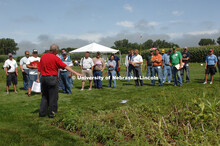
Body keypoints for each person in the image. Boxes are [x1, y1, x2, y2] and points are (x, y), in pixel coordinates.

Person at [37, 44, 82, 118]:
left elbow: (39, 68)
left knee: (44, 96)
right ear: (55, 50)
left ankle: (42, 113)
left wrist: (38, 78)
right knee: (53, 97)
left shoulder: (43, 56)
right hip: (52, 78)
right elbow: (65, 66)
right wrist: (76, 73)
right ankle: (52, 113)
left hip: (43, 78)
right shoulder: (56, 58)